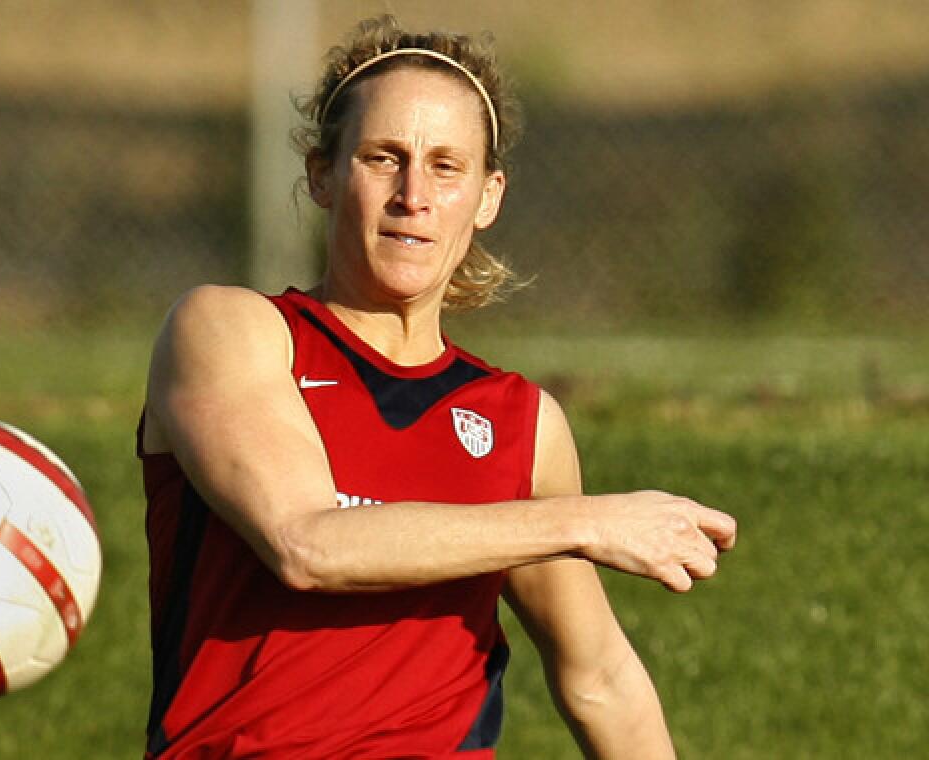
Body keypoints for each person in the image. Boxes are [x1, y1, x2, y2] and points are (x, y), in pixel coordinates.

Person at [137, 15, 736, 759]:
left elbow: (600, 678)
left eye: (446, 167)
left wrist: (568, 517)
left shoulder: (521, 421)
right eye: (384, 158)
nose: (413, 194)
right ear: (323, 174)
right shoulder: (230, 330)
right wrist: (581, 521)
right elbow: (305, 543)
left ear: (488, 197)